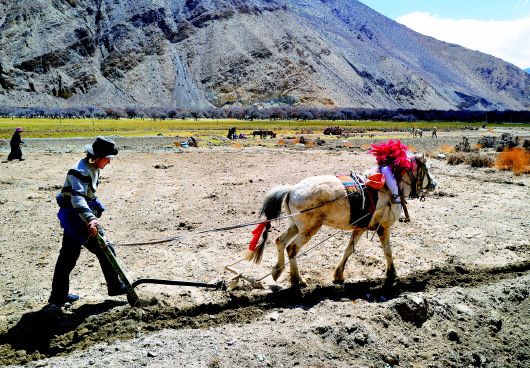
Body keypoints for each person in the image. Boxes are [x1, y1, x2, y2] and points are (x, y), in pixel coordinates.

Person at [49, 137, 127, 305]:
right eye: (107, 159)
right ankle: (114, 286)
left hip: (78, 216)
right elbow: (77, 198)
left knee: (68, 256)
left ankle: (58, 296)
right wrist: (91, 219)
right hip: (76, 218)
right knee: (105, 248)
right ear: (97, 157)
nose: (109, 162)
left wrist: (95, 204)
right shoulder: (79, 171)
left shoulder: (92, 167)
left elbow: (88, 193)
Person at [369, 140, 414, 204]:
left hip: (385, 168)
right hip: (386, 169)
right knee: (395, 193)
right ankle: (396, 198)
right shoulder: (386, 168)